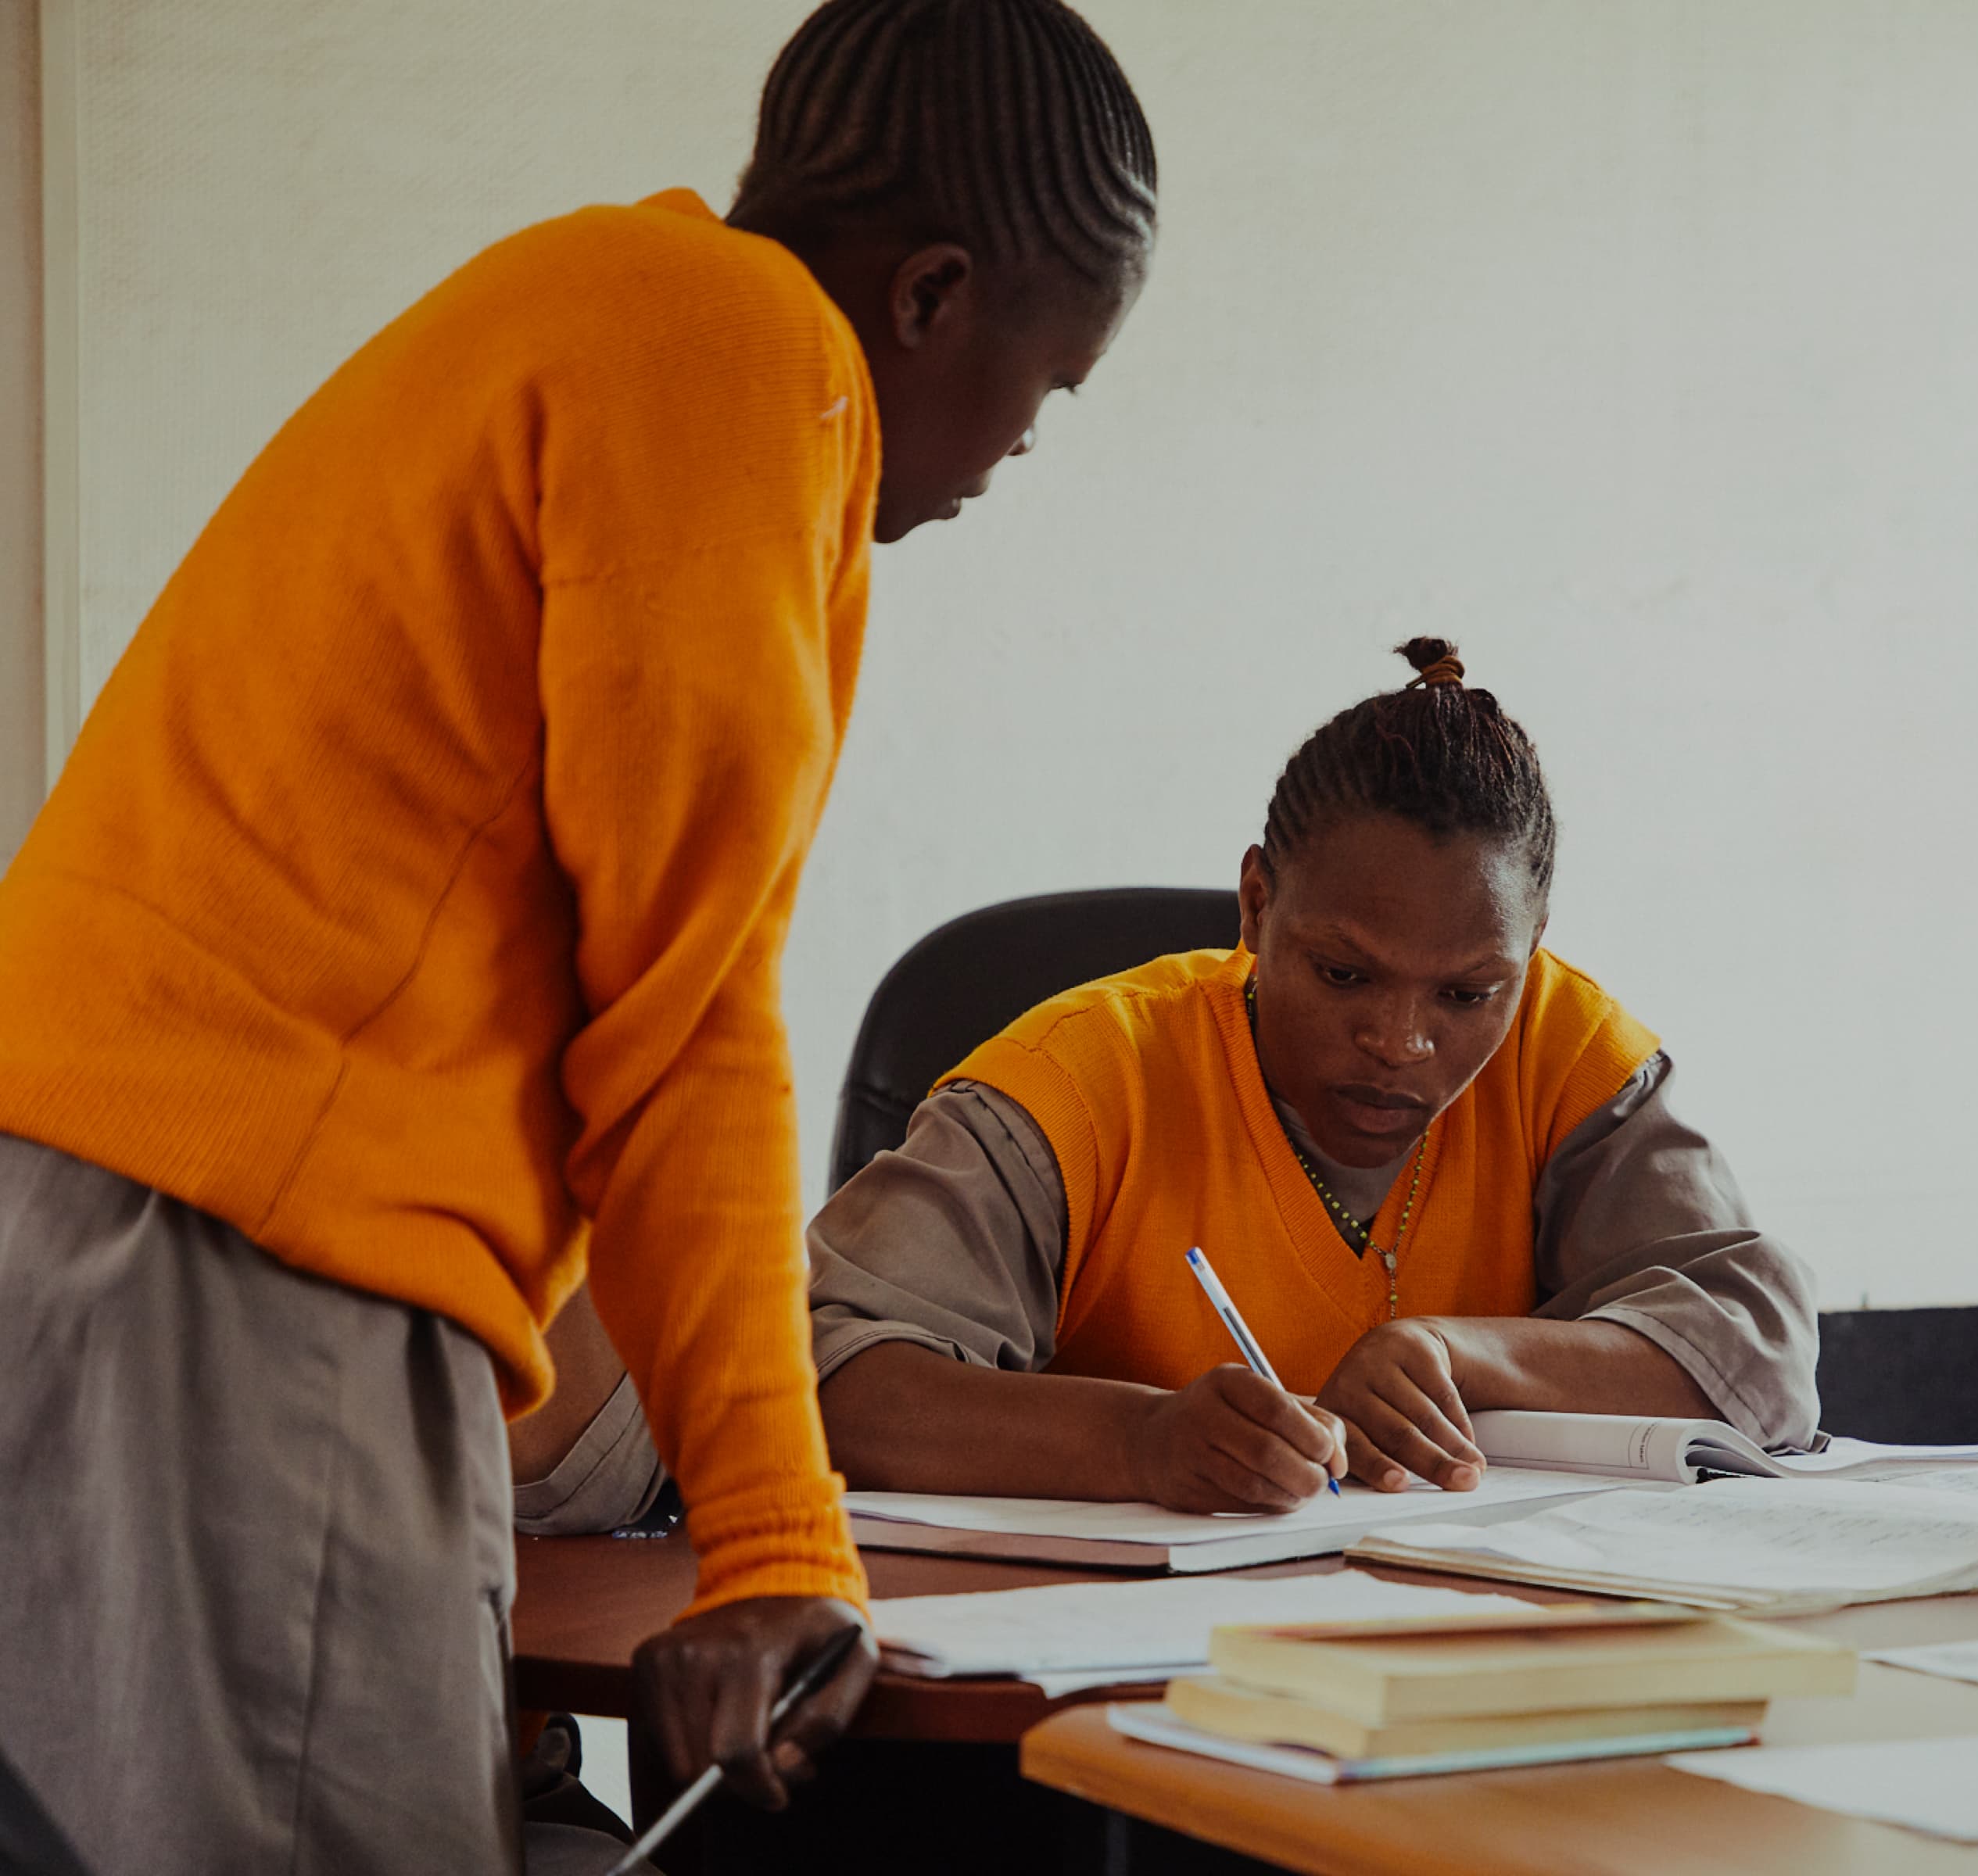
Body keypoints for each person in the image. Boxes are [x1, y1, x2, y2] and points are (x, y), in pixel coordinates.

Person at [0, 2, 1156, 1867]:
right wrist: (783, 1540)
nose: (1024, 446)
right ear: (935, 294)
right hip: (251, 1260)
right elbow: (686, 1024)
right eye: (1054, 384)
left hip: (116, 1221)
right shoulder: (750, 351)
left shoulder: (586, 300)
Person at [524, 639, 1819, 1522]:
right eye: (1344, 975)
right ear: (1255, 905)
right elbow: (826, 1374)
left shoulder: (1565, 1054)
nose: (1402, 1044)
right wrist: (1133, 1444)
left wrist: (1457, 1356)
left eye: (1466, 995)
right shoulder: (1081, 1079)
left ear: (1524, 965)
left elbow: (1760, 1357)